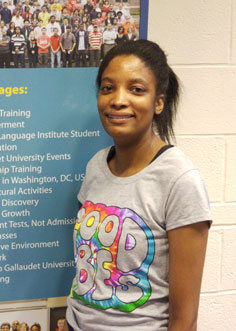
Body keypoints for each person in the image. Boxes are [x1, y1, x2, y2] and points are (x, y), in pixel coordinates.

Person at [66, 40, 211, 330]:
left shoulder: (179, 180)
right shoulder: (96, 165)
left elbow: (185, 318)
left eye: (136, 89)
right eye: (108, 88)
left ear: (159, 102)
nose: (118, 100)